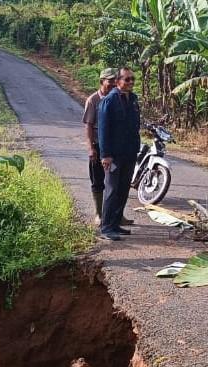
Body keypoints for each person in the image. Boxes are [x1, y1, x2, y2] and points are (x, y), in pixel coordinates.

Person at [98, 67, 141, 241]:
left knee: (123, 190)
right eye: (127, 79)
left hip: (129, 153)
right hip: (114, 155)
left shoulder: (133, 99)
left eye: (132, 79)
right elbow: (103, 130)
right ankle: (106, 227)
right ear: (118, 81)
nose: (130, 82)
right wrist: (105, 154)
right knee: (112, 190)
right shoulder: (109, 101)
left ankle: (115, 223)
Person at [82, 68, 117, 225]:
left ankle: (116, 214)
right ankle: (98, 213)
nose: (112, 83)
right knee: (98, 180)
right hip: (98, 145)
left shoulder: (116, 98)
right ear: (102, 81)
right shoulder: (93, 100)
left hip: (114, 146)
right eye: (109, 80)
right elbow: (88, 126)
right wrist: (91, 148)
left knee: (115, 181)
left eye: (115, 80)